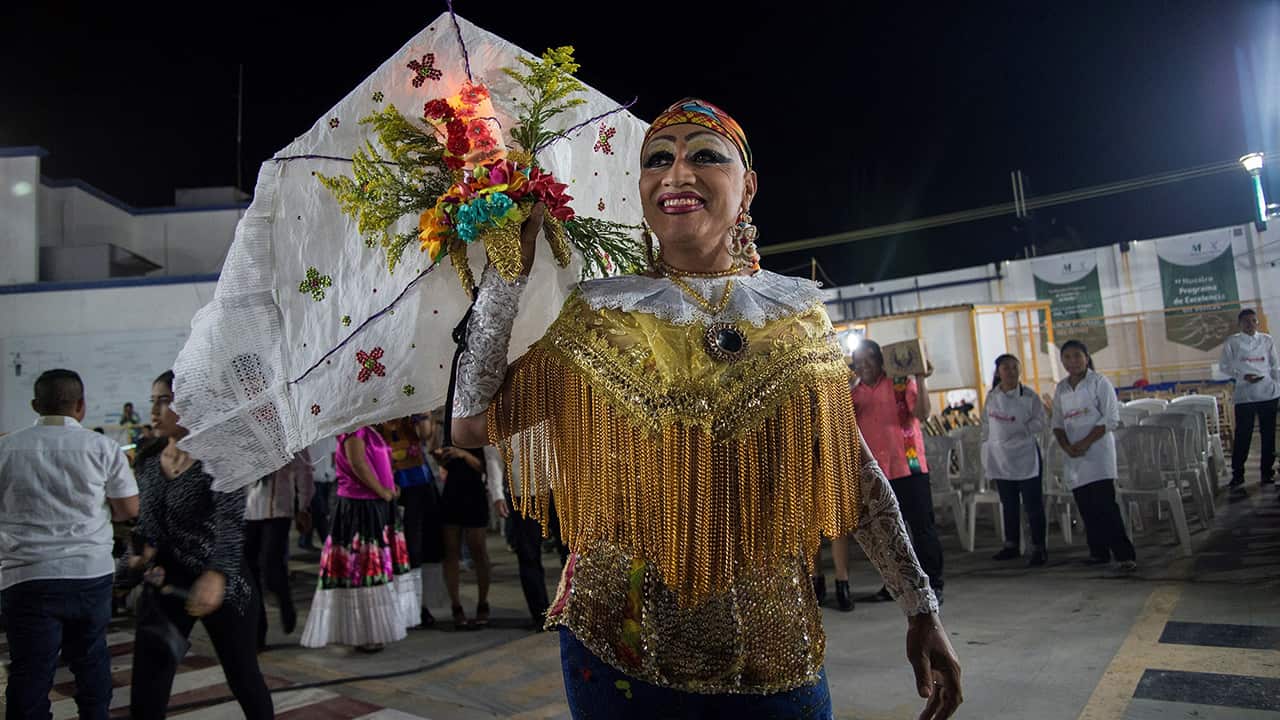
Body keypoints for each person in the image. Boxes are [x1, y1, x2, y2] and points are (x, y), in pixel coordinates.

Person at [449, 98, 961, 718]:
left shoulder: (796, 314)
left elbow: (851, 470)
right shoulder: (599, 314)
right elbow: (472, 423)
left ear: (747, 186)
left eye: (705, 156)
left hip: (775, 652)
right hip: (620, 653)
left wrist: (919, 605)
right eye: (657, 160)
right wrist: (508, 275)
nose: (677, 173)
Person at [128, 371, 274, 718]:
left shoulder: (222, 459)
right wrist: (138, 558)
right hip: (167, 585)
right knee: (148, 685)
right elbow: (147, 526)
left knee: (243, 676)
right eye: (154, 401)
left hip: (226, 583)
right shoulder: (148, 459)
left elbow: (230, 526)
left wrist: (216, 577)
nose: (155, 410)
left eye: (165, 401)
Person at [0, 369, 139, 720]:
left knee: (29, 671)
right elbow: (128, 509)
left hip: (26, 576)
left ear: (35, 405)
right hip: (90, 574)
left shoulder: (6, 448)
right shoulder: (103, 447)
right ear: (80, 406)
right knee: (90, 660)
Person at [845, 340, 946, 606]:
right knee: (887, 533)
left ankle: (934, 584)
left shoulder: (900, 384)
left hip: (909, 467)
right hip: (877, 474)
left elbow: (923, 414)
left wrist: (921, 379)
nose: (863, 365)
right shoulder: (853, 395)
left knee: (921, 528)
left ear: (881, 361)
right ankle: (897, 586)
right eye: (858, 360)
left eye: (869, 359)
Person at [300, 426, 416, 651]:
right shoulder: (354, 432)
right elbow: (358, 464)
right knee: (365, 572)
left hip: (376, 506)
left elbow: (375, 463)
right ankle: (365, 633)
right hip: (360, 508)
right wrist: (383, 491)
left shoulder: (370, 430)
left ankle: (372, 631)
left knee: (376, 570)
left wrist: (390, 486)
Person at [1051, 341, 1137, 572]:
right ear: (1062, 362)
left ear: (1087, 358)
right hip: (1074, 456)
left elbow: (1110, 418)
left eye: (1077, 356)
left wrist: (1084, 442)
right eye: (1067, 357)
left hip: (1098, 453)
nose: (1073, 361)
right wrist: (1067, 446)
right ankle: (1098, 552)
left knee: (1106, 506)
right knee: (1086, 507)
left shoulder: (1099, 382)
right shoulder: (1061, 389)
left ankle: (1124, 554)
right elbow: (1058, 422)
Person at [376, 414, 444, 627]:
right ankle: (402, 607)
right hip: (389, 486)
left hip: (418, 483)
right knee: (399, 549)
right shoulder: (375, 416)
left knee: (421, 548)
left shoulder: (410, 410)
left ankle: (418, 605)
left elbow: (425, 434)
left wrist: (420, 412)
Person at [982, 354, 1049, 566]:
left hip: (1025, 455)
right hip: (1001, 457)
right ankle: (1011, 544)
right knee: (1008, 504)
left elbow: (1040, 421)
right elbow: (986, 424)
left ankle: (1039, 547)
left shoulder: (1029, 396)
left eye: (1014, 368)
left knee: (1033, 505)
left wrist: (1020, 430)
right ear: (998, 372)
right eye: (1005, 368)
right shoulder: (992, 397)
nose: (1010, 372)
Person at [245, 449, 314, 647]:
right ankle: (258, 632)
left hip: (278, 510)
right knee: (250, 576)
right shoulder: (243, 435)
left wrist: (304, 506)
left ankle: (285, 600)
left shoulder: (289, 436)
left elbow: (304, 471)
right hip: (246, 511)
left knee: (271, 568)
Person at [1218, 308, 1280, 496]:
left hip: (1268, 393)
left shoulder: (1267, 340)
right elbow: (1224, 366)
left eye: (1253, 321)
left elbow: (1275, 365)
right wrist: (1243, 376)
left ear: (1257, 323)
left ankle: (1267, 473)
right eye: (1246, 321)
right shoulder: (1233, 342)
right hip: (1245, 395)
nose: (1250, 324)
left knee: (1268, 435)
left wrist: (1277, 384)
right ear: (1240, 324)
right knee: (1243, 436)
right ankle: (1238, 475)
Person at [489, 443, 550, 629]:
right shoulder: (500, 417)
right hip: (522, 492)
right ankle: (541, 614)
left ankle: (571, 608)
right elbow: (493, 457)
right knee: (528, 555)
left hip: (556, 487)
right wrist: (497, 494)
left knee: (569, 550)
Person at [436, 444, 493, 629]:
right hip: (452, 492)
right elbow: (443, 465)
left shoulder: (479, 430)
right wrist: (439, 456)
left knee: (478, 550)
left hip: (474, 492)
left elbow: (486, 467)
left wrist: (463, 454)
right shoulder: (447, 426)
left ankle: (483, 602)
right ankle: (456, 605)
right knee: (450, 552)